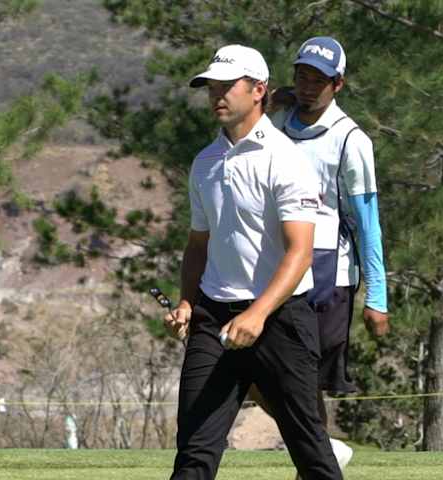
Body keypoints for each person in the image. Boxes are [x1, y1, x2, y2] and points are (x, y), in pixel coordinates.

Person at [165, 44, 342, 480]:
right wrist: (187, 302)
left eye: (228, 86)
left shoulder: (286, 159)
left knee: (311, 451)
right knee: (194, 453)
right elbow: (198, 245)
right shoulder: (204, 162)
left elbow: (301, 252)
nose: (216, 96)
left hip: (280, 319)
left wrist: (258, 314)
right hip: (213, 318)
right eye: (211, 87)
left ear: (259, 90)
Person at [249, 36, 391, 474]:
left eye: (320, 80)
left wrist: (377, 296)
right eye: (302, 77)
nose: (309, 87)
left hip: (330, 273)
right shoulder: (274, 126)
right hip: (275, 265)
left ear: (338, 84)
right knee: (256, 372)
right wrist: (269, 106)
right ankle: (324, 453)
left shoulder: (352, 141)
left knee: (303, 379)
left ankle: (317, 463)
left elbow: (368, 221)